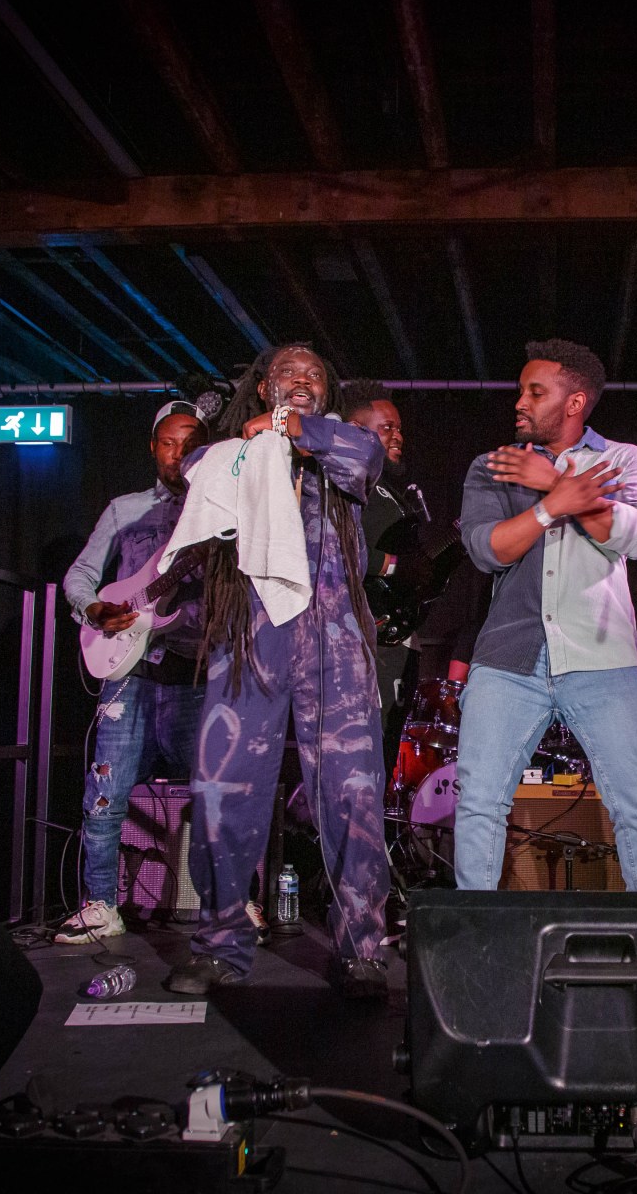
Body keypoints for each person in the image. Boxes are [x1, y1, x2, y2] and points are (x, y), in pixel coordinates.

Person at [161, 344, 392, 999]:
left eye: (314, 374)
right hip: (252, 635)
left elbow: (366, 457)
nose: (302, 380)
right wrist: (255, 442)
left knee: (352, 795)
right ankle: (220, 946)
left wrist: (294, 430)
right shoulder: (233, 451)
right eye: (288, 373)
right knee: (224, 788)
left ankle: (361, 951)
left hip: (333, 639)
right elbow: (195, 472)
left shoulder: (339, 444)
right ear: (263, 388)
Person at [452, 339, 637, 892]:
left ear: (574, 403)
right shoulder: (495, 466)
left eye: (535, 392)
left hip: (604, 658)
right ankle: (477, 933)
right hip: (509, 657)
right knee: (479, 803)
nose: (519, 402)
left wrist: (554, 483)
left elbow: (634, 536)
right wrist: (555, 506)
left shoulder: (624, 460)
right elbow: (487, 550)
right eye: (520, 391)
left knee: (636, 806)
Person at [56, 400, 209, 944]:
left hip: (194, 672)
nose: (178, 453)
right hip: (130, 670)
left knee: (218, 793)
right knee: (105, 790)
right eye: (168, 442)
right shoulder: (125, 509)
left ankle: (227, 906)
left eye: (190, 442)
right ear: (152, 447)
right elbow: (79, 575)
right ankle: (100, 904)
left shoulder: (218, 515)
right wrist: (95, 608)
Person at [337, 380, 421, 763]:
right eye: (387, 427)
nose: (398, 436)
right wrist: (392, 565)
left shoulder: (386, 489)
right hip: (363, 641)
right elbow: (335, 548)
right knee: (361, 753)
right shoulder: (344, 481)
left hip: (396, 637)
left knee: (386, 750)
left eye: (399, 428)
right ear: (357, 430)